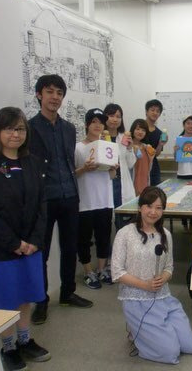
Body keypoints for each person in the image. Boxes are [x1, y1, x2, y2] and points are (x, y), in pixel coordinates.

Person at [0, 107, 51, 371]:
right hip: (0, 248)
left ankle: (25, 340)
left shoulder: (33, 162)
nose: (15, 134)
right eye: (9, 128)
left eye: (20, 129)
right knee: (5, 300)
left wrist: (34, 240)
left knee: (26, 295)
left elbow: (42, 205)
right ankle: (8, 347)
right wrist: (14, 243)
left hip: (31, 246)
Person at [29, 74, 92, 325]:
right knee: (41, 253)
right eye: (49, 92)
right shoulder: (29, 128)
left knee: (69, 248)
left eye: (59, 93)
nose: (55, 97)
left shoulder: (68, 128)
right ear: (39, 95)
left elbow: (68, 162)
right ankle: (41, 301)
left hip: (69, 196)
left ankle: (67, 293)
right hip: (44, 200)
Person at [111, 187, 192, 364]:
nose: (153, 212)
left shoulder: (165, 234)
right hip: (136, 299)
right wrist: (145, 285)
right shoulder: (125, 233)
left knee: (189, 346)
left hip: (162, 297)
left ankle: (152, 331)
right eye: (149, 206)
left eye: (159, 208)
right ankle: (136, 330)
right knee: (170, 353)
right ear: (140, 207)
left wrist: (163, 278)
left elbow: (169, 267)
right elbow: (117, 272)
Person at [75, 108, 116, 289]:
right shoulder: (78, 147)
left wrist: (113, 167)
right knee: (84, 239)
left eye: (100, 122)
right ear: (87, 125)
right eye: (94, 122)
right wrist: (84, 168)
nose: (98, 125)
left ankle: (101, 269)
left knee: (104, 237)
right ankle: (88, 272)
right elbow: (71, 175)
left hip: (105, 199)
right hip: (85, 201)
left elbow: (112, 176)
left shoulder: (108, 146)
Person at [103, 103, 136, 209]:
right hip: (106, 180)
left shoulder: (124, 138)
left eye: (118, 116)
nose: (115, 119)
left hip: (121, 181)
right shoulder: (100, 138)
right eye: (111, 116)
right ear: (105, 117)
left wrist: (130, 148)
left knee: (122, 213)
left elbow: (130, 164)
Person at [174, 115, 192, 229]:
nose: (190, 126)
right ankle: (184, 223)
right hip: (182, 173)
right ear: (184, 125)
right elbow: (176, 158)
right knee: (182, 198)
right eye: (188, 123)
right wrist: (175, 151)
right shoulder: (178, 139)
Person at [142, 99, 168, 186]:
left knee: (154, 191)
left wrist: (161, 144)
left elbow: (156, 154)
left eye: (158, 111)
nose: (155, 113)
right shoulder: (139, 128)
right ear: (146, 112)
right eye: (152, 110)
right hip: (140, 166)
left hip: (153, 168)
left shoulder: (159, 133)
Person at [130, 118, 154, 196]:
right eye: (138, 129)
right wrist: (131, 150)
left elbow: (148, 168)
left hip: (145, 184)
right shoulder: (128, 147)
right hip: (132, 185)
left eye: (143, 130)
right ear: (132, 130)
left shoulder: (146, 147)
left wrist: (151, 158)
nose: (140, 132)